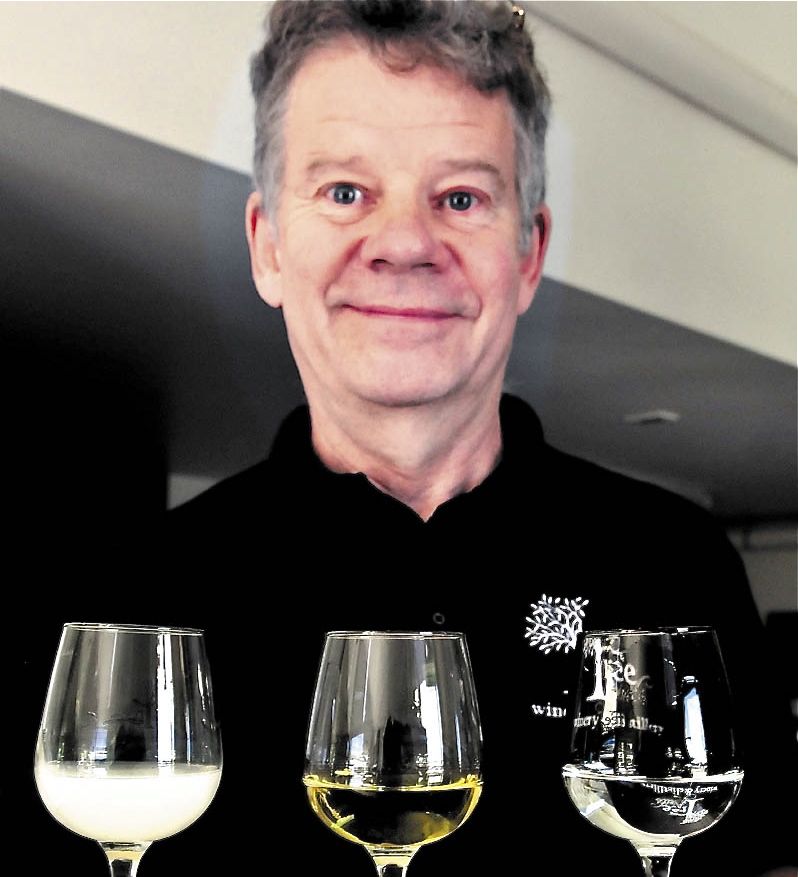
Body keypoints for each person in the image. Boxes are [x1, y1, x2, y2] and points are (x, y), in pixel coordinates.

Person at [17, 2, 795, 875]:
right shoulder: (129, 595)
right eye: (345, 191)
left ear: (529, 253)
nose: (402, 243)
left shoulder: (679, 566)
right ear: (268, 245)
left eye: (460, 196)